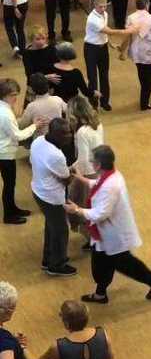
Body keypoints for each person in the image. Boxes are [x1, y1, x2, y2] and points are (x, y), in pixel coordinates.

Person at [63, 145, 151, 304]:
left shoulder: (111, 186)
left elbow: (100, 213)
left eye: (92, 161)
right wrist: (81, 178)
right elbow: (97, 185)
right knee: (106, 263)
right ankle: (101, 293)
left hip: (112, 235)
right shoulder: (111, 176)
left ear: (98, 165)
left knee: (119, 264)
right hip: (107, 234)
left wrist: (76, 210)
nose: (91, 163)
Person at [30, 117, 74, 276]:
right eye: (66, 133)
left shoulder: (39, 141)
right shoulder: (56, 156)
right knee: (61, 231)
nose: (70, 135)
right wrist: (72, 173)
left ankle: (47, 259)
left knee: (51, 226)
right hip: (52, 198)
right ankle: (57, 265)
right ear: (55, 134)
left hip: (38, 190)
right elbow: (66, 179)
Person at [0, 79, 43, 225]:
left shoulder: (4, 108)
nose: (16, 98)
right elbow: (18, 135)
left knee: (10, 184)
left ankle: (12, 209)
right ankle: (9, 215)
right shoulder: (5, 113)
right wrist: (34, 126)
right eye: (13, 94)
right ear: (5, 94)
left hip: (4, 151)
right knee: (9, 185)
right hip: (5, 154)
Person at [84, 0, 134, 112]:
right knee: (92, 78)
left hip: (103, 48)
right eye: (100, 6)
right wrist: (125, 32)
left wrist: (110, 44)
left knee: (104, 75)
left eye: (105, 6)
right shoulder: (92, 19)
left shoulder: (105, 14)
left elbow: (104, 34)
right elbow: (109, 31)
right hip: (91, 49)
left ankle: (105, 102)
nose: (103, 8)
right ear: (94, 5)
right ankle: (94, 104)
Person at [66, 95, 104, 245]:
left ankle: (93, 240)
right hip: (99, 169)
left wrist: (70, 169)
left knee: (79, 206)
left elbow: (82, 159)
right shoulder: (97, 124)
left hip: (87, 173)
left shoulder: (81, 132)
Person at [121, 0, 151, 110]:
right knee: (149, 78)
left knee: (141, 74)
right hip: (148, 53)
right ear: (147, 5)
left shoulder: (130, 18)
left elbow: (127, 35)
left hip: (136, 52)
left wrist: (122, 51)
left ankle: (144, 96)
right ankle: (145, 103)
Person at [18, 73, 66, 139]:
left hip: (40, 140)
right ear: (48, 86)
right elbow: (69, 110)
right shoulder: (57, 99)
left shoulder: (31, 106)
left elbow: (22, 126)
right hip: (58, 138)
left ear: (32, 89)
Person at [22, 27, 60, 100]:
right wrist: (46, 77)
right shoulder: (27, 53)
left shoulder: (51, 49)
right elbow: (30, 75)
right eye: (38, 39)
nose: (41, 42)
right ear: (31, 40)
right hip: (35, 86)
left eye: (43, 38)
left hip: (51, 84)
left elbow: (57, 66)